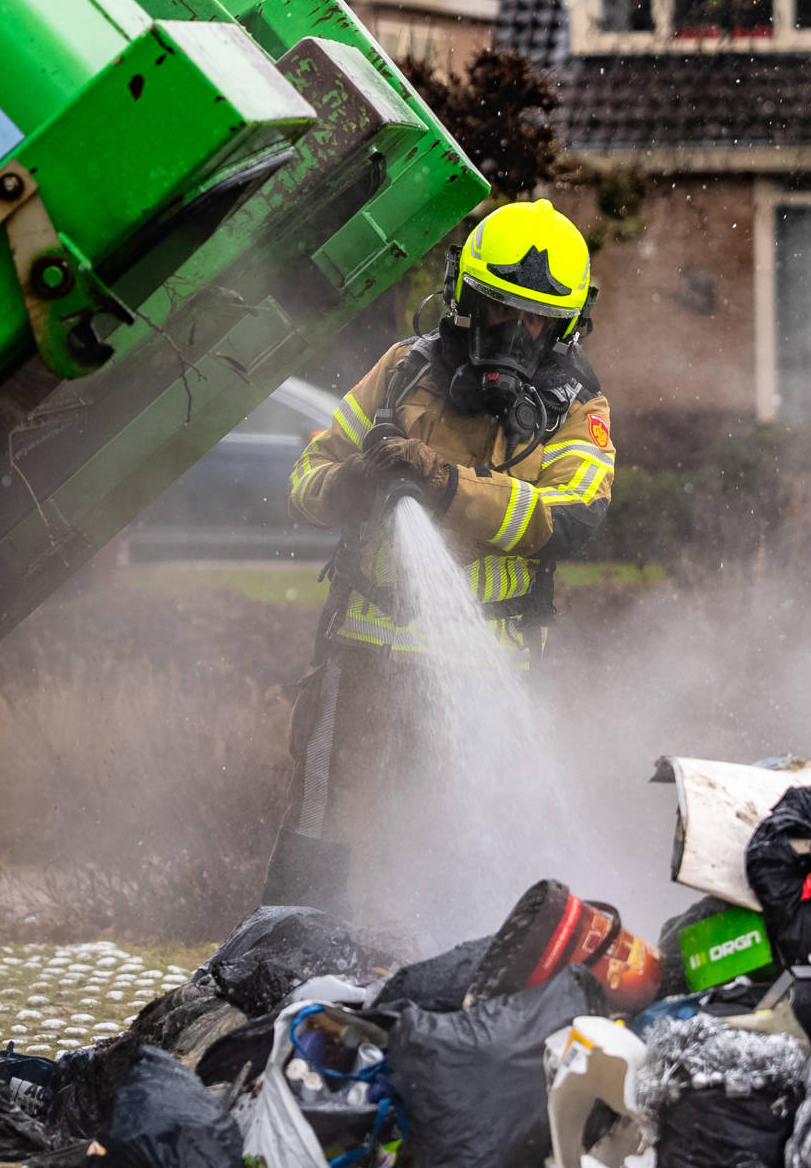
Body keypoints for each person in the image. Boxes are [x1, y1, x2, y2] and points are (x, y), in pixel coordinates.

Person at [262, 199, 617, 911]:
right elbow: (305, 480)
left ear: (568, 323)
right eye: (499, 310)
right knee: (320, 823)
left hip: (487, 669)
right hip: (360, 654)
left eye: (537, 321)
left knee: (465, 839)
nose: (516, 335)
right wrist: (354, 483)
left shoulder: (576, 411)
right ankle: (285, 971)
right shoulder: (402, 370)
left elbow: (573, 517)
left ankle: (447, 978)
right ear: (462, 296)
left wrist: (445, 483)